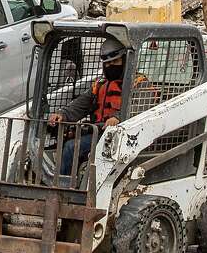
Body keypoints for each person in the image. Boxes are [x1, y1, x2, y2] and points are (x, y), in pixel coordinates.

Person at [46, 39, 146, 184]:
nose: (110, 66)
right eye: (107, 63)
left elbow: (141, 108)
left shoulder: (140, 84)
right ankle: (71, 182)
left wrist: (118, 118)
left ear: (125, 60)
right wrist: (62, 114)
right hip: (100, 133)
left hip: (126, 137)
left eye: (114, 62)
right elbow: (80, 105)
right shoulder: (99, 84)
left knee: (72, 147)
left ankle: (62, 187)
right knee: (65, 142)